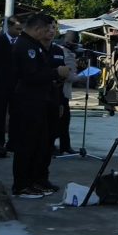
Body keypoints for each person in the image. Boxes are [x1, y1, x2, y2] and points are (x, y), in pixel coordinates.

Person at [9, 13, 65, 198]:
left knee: (38, 144)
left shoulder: (34, 46)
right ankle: (21, 185)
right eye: (46, 29)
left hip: (40, 101)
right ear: (37, 29)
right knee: (25, 145)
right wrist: (55, 72)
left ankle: (33, 181)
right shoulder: (25, 46)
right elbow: (30, 76)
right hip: (27, 102)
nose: (48, 32)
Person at [0, 14, 22, 151]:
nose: (19, 31)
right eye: (17, 28)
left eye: (21, 29)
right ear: (10, 26)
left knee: (16, 113)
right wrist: (1, 72)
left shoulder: (21, 42)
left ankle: (13, 142)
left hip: (18, 84)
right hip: (2, 83)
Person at [48, 25, 76, 157]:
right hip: (59, 90)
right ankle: (52, 145)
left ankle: (65, 145)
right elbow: (67, 75)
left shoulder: (65, 51)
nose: (71, 42)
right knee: (58, 119)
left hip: (64, 91)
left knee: (65, 120)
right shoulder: (61, 51)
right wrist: (80, 77)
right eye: (69, 39)